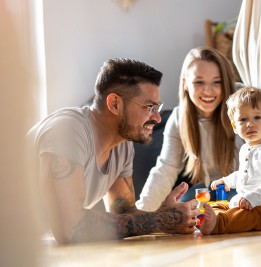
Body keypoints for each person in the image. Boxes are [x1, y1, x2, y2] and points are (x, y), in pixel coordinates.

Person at [136, 46, 261, 225]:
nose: (208, 91)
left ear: (227, 82)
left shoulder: (242, 110)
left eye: (217, 82)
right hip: (208, 187)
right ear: (185, 83)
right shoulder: (180, 117)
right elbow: (166, 168)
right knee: (183, 210)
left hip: (246, 189)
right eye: (199, 82)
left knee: (240, 210)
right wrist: (142, 212)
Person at [28, 58, 200, 244]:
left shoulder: (122, 143)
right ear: (114, 104)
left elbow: (124, 213)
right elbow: (70, 229)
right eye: (149, 107)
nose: (157, 118)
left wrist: (170, 217)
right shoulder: (67, 130)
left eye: (157, 108)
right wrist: (161, 220)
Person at [200, 86, 261, 234]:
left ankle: (219, 224)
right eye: (243, 119)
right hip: (249, 202)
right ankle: (212, 219)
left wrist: (255, 197)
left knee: (249, 215)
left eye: (257, 117)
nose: (250, 124)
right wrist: (227, 181)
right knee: (218, 205)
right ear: (235, 127)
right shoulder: (245, 149)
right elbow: (244, 174)